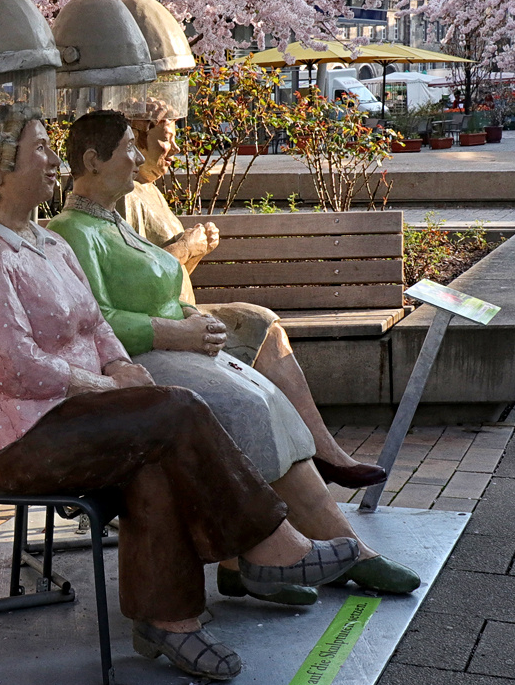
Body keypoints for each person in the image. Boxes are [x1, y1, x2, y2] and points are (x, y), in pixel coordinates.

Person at [0, 103, 361, 682]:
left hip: (77, 416)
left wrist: (121, 365)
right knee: (177, 409)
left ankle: (170, 622)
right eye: (38, 147)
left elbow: (95, 324)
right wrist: (111, 384)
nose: (51, 159)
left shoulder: (46, 244)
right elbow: (19, 371)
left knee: (156, 460)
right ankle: (266, 546)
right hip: (21, 440)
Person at [51, 110, 420, 600]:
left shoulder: (115, 223)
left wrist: (191, 315)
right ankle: (276, 555)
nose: (138, 158)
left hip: (176, 347)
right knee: (245, 408)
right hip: (142, 363)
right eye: (128, 151)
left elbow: (160, 287)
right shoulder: (75, 230)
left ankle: (314, 549)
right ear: (94, 161)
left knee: (269, 399)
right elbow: (94, 322)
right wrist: (175, 333)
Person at [119, 101, 389, 491]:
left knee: (264, 323)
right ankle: (320, 454)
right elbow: (134, 284)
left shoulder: (151, 192)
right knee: (261, 325)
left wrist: (193, 252)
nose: (173, 150)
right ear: (138, 139)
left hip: (181, 310)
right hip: (166, 325)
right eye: (165, 140)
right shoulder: (127, 196)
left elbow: (169, 278)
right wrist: (183, 248)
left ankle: (321, 451)